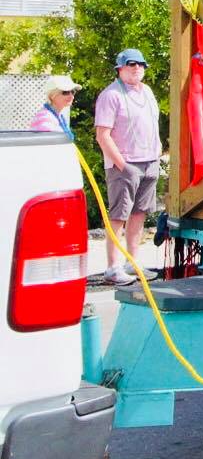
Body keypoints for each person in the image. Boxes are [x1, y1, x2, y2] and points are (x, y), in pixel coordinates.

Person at [93, 49, 161, 286]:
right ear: (120, 68)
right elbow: (103, 135)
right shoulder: (110, 95)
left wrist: (157, 157)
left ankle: (132, 262)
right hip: (125, 164)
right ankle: (113, 267)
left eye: (141, 64)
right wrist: (122, 165)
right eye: (131, 64)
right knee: (118, 216)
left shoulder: (148, 92)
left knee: (139, 214)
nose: (137, 68)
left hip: (149, 161)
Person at [29, 74, 81, 139]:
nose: (71, 96)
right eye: (65, 92)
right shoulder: (45, 118)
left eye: (72, 92)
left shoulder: (58, 116)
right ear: (52, 95)